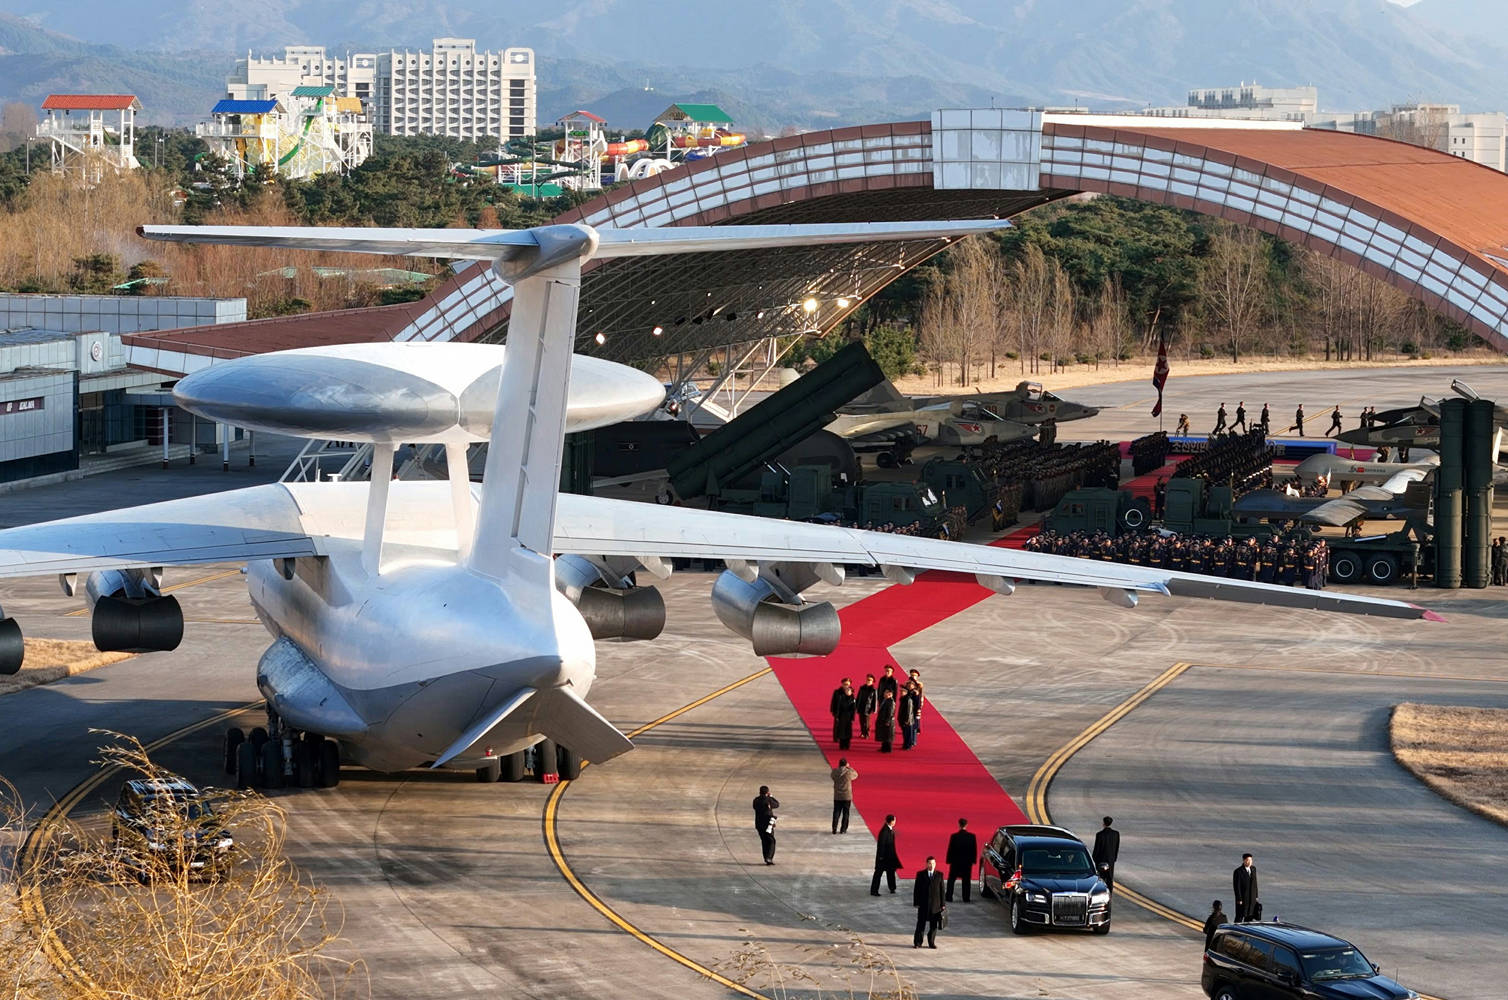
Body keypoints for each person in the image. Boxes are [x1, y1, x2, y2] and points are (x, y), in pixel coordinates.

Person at [912, 856, 946, 949]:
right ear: (926, 864)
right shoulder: (920, 874)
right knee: (920, 924)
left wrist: (943, 904)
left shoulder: (939, 875)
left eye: (933, 863)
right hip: (923, 904)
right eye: (930, 863)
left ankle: (931, 942)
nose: (932, 865)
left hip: (935, 905)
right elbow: (916, 890)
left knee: (933, 925)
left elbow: (942, 890)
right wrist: (916, 902)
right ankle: (918, 942)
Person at [945, 818, 978, 903]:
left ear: (959, 825)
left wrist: (949, 860)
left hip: (955, 862)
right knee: (966, 880)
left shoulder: (954, 836)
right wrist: (973, 860)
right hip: (967, 863)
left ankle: (949, 896)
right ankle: (966, 898)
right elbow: (974, 850)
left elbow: (950, 849)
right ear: (966, 825)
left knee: (951, 879)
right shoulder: (972, 837)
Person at [870, 814, 902, 895]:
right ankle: (874, 890)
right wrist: (881, 857)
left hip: (890, 856)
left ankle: (892, 888)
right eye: (894, 820)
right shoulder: (884, 831)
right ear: (891, 821)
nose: (895, 822)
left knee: (891, 872)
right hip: (884, 857)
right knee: (878, 873)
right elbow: (881, 845)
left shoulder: (889, 829)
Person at [1092, 816, 1120, 892]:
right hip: (1111, 859)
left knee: (1101, 877)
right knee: (1110, 878)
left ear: (1103, 823)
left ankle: (1101, 891)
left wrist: (1093, 859)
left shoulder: (1099, 834)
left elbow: (1097, 848)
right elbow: (1116, 847)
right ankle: (1110, 892)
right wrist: (1114, 858)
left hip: (1101, 859)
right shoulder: (1116, 834)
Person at [753, 786, 780, 866]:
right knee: (771, 841)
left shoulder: (756, 800)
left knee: (764, 841)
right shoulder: (768, 800)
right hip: (768, 824)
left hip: (759, 824)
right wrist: (771, 797)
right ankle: (769, 858)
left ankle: (766, 857)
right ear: (767, 792)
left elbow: (755, 807)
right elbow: (777, 804)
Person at [831, 758, 858, 835]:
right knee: (846, 813)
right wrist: (849, 767)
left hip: (837, 795)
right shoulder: (848, 772)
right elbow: (856, 775)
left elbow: (832, 776)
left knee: (836, 812)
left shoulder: (835, 771)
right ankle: (843, 829)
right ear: (846, 764)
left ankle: (834, 828)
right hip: (846, 795)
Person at [830, 678, 856, 750]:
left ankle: (846, 744)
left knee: (847, 729)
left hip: (848, 715)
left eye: (847, 684)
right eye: (845, 684)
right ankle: (836, 738)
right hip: (839, 713)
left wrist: (852, 717)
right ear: (842, 684)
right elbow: (833, 702)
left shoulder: (851, 694)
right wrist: (833, 711)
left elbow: (853, 708)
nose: (846, 686)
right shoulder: (837, 692)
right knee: (837, 726)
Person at [1232, 853, 1260, 921]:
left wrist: (1256, 896)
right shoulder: (1238, 871)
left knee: (1250, 916)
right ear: (1244, 860)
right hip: (1243, 899)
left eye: (1251, 860)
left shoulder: (1253, 869)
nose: (1250, 862)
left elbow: (1255, 883)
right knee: (1240, 916)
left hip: (1252, 898)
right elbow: (1237, 887)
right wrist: (1239, 899)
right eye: (1248, 860)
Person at [899, 683, 919, 750]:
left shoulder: (908, 700)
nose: (901, 693)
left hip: (908, 719)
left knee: (908, 732)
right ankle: (906, 744)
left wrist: (907, 720)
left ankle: (908, 745)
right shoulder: (903, 699)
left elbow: (909, 711)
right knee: (905, 733)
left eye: (902, 692)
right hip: (903, 718)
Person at [856, 674, 877, 739]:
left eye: (870, 680)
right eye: (867, 679)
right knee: (861, 721)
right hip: (861, 707)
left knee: (867, 722)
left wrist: (874, 709)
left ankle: (867, 734)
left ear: (872, 682)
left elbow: (875, 700)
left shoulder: (873, 690)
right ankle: (862, 733)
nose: (868, 681)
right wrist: (856, 706)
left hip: (868, 708)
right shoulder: (862, 688)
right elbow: (858, 697)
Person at [876, 688, 897, 753]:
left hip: (888, 721)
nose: (884, 694)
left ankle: (888, 749)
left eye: (886, 692)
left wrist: (888, 721)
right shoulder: (885, 700)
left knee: (888, 735)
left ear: (890, 694)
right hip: (883, 719)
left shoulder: (891, 702)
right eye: (885, 692)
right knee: (884, 735)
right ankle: (883, 747)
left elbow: (890, 713)